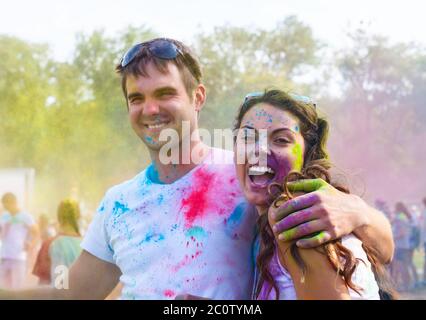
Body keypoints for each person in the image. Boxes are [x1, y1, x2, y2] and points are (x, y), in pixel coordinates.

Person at [0, 38, 393, 300]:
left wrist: (358, 211)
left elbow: (379, 246)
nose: (150, 109)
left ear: (197, 97)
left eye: (165, 93)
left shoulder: (251, 178)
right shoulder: (117, 204)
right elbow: (72, 293)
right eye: (136, 98)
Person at [232, 89, 396, 299]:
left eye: (281, 140)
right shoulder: (265, 217)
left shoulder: (296, 214)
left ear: (308, 154)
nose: (259, 149)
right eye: (247, 137)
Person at [32, 199, 82, 286]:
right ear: (78, 216)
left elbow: (44, 283)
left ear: (58, 217)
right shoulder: (88, 246)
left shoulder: (49, 244)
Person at [0, 193, 39, 289]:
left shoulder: (26, 216)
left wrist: (31, 244)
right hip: (4, 256)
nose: (5, 207)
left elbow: (36, 233)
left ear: (13, 203)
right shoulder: (4, 216)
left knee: (17, 288)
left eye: (6, 205)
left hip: (19, 257)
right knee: (3, 287)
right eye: (3, 205)